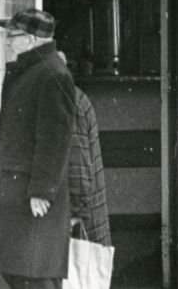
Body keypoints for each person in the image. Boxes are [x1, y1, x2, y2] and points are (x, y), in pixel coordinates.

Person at [0, 8, 77, 289]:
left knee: (33, 270)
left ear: (31, 40)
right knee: (20, 268)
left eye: (12, 36)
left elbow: (54, 139)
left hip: (30, 193)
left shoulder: (52, 74)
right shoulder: (33, 72)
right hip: (18, 188)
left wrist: (42, 190)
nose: (7, 41)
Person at [68, 85, 111, 247]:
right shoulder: (75, 99)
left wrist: (76, 212)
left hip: (78, 215)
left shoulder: (69, 100)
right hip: (85, 208)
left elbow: (78, 164)